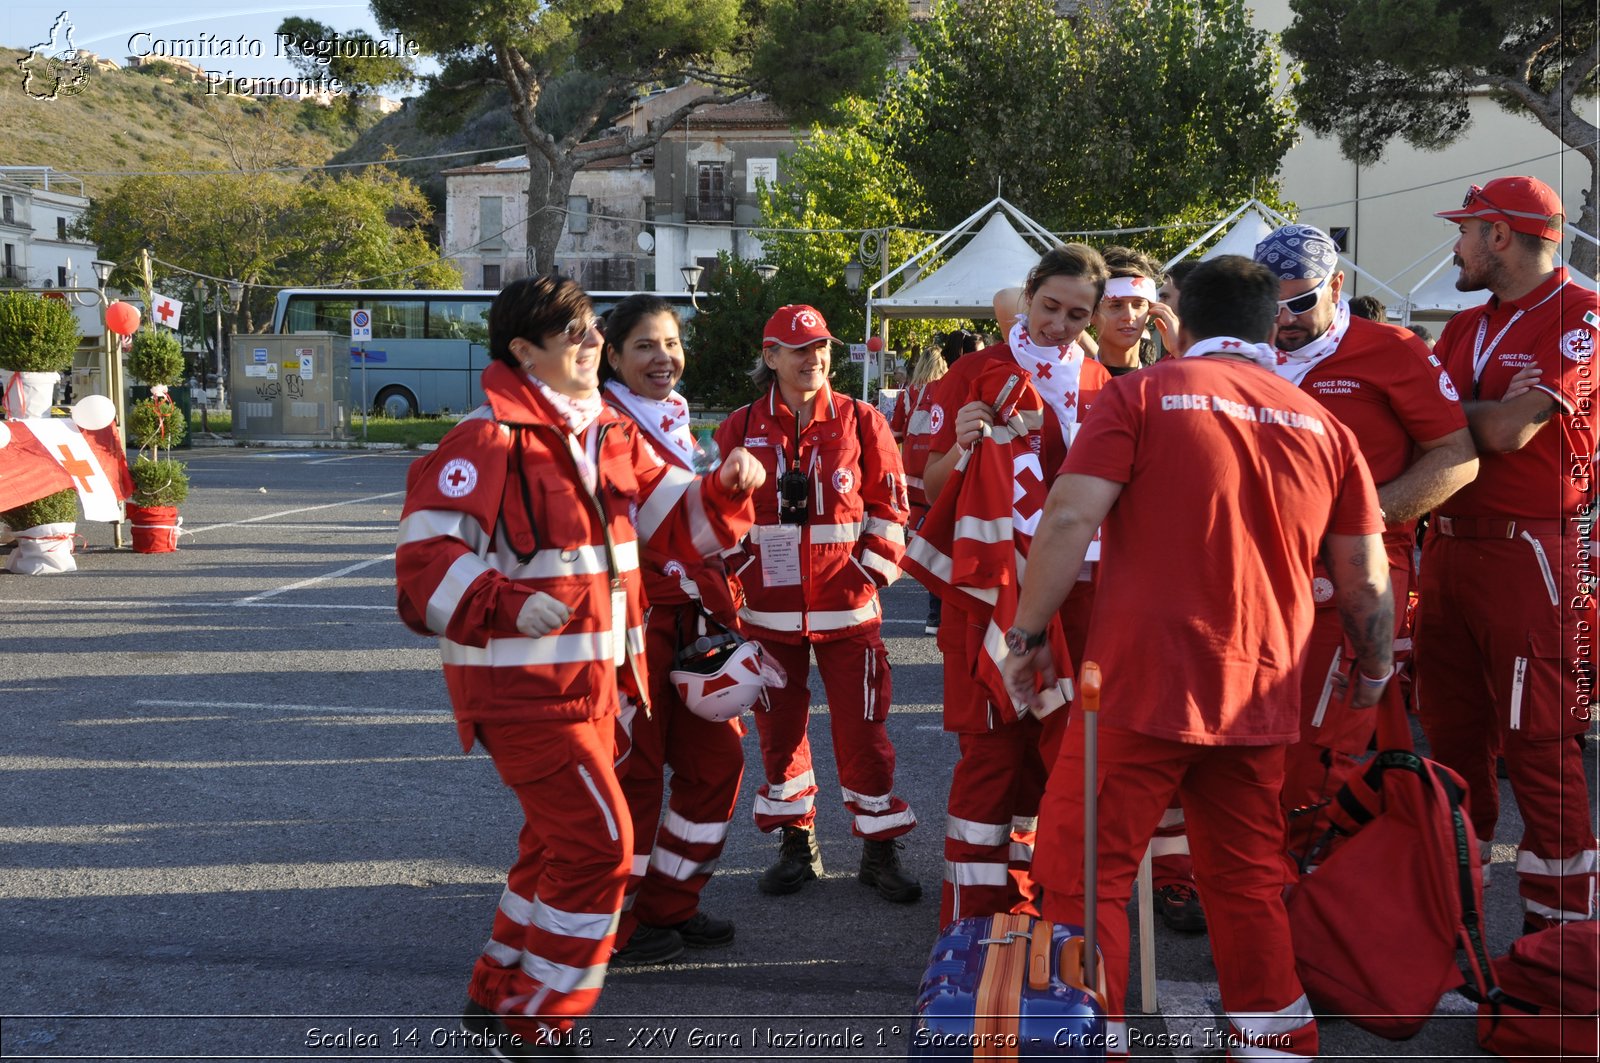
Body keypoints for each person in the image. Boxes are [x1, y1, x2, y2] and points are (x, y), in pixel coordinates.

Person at [1006, 256, 1393, 1061]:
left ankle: (1085, 1040)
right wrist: (1376, 667)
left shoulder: (1142, 394)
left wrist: (1028, 634)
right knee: (1248, 875)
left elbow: (1070, 516)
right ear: (1269, 329)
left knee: (1085, 874)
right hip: (1260, 689)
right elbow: (1365, 579)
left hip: (1139, 684)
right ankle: (1276, 1045)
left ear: (1181, 324)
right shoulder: (1324, 425)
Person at [395, 276, 765, 1055]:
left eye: (593, 327)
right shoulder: (487, 437)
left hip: (596, 692)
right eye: (574, 333)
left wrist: (725, 489)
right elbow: (422, 564)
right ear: (524, 352)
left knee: (555, 846)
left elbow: (678, 520)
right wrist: (499, 600)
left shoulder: (606, 432)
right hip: (524, 694)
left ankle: (497, 988)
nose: (592, 342)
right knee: (599, 850)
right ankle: (539, 1024)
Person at [1252, 223, 1478, 856]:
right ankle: (1254, 902)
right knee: (1243, 748)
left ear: (1338, 285)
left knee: (1313, 757)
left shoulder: (1393, 350)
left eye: (1300, 302)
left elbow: (1458, 458)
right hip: (1257, 571)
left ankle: (1304, 911)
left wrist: (1362, 518)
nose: (1284, 318)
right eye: (1270, 303)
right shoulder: (1243, 350)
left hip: (1352, 574)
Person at [1419, 176, 1599, 933]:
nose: (1455, 244)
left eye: (1466, 230)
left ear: (1500, 236)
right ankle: (1456, 927)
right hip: (1451, 550)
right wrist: (1481, 413)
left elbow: (1504, 434)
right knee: (1454, 749)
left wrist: (1466, 417)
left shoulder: (1583, 315)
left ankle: (1559, 947)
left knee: (1541, 749)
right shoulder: (1465, 326)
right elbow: (1417, 425)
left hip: (1533, 553)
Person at [920, 245, 1113, 927]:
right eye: (1049, 306)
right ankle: (970, 916)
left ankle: (1045, 908)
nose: (1058, 323)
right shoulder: (976, 372)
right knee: (991, 753)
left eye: (1075, 314)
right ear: (1027, 295)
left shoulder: (1107, 384)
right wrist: (964, 445)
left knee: (1064, 758)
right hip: (990, 588)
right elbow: (934, 487)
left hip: (1084, 592)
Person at [712, 304, 921, 903]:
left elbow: (891, 508)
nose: (814, 359)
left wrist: (865, 576)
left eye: (821, 347)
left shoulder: (863, 420)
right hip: (767, 618)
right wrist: (740, 576)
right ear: (770, 357)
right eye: (798, 349)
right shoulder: (739, 425)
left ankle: (879, 850)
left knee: (865, 737)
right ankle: (796, 845)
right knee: (779, 738)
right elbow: (716, 516)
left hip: (848, 616)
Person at [594, 294, 748, 966]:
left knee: (717, 763)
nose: (664, 358)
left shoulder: (674, 417)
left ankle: (670, 902)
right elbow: (663, 521)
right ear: (613, 354)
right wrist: (729, 490)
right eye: (645, 346)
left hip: (689, 616)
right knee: (635, 774)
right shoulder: (605, 422)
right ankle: (616, 922)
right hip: (636, 622)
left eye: (671, 343)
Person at [893, 343, 951, 635]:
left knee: (922, 540)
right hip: (940, 472)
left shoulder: (908, 393)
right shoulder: (949, 390)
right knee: (942, 540)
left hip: (912, 476)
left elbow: (896, 433)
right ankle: (938, 612)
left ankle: (932, 612)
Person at [1091, 246, 1179, 376]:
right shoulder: (1071, 382)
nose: (1129, 316)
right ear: (1092, 314)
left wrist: (1179, 351)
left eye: (1138, 304)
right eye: (1116, 305)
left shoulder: (1164, 382)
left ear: (1150, 311)